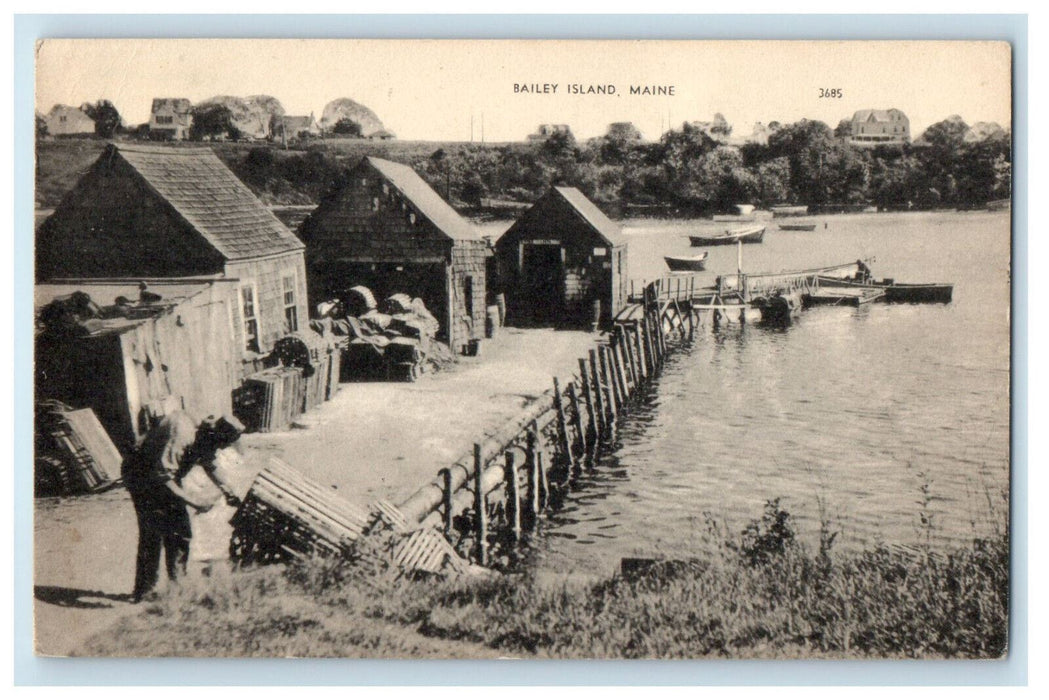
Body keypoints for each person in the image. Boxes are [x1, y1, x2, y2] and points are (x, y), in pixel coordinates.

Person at [121, 411, 244, 602]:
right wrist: (195, 501)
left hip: (164, 475)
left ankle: (177, 586)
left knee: (181, 532)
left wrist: (228, 489)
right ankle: (143, 592)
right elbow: (163, 477)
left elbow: (209, 461)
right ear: (213, 436)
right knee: (152, 533)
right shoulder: (181, 434)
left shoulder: (205, 437)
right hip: (141, 475)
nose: (218, 450)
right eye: (220, 445)